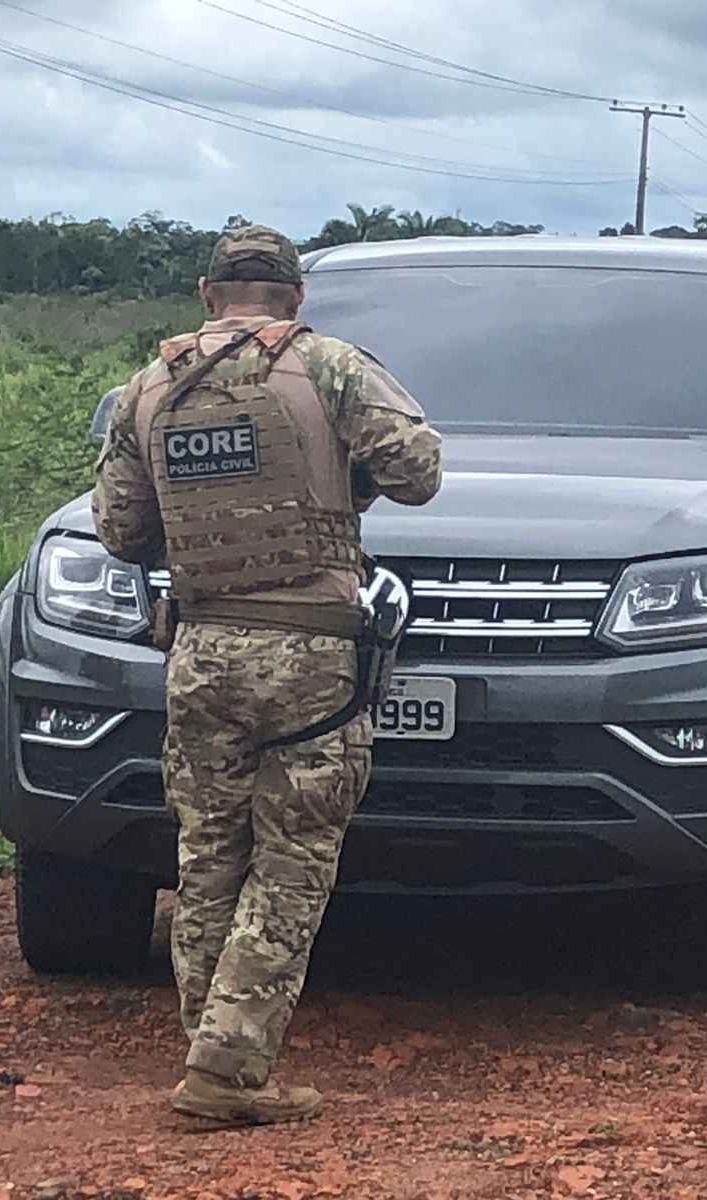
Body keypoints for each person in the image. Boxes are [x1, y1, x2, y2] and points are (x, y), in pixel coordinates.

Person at [92, 223, 442, 1123]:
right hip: (311, 655)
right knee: (293, 858)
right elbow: (419, 472)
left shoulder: (148, 387)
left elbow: (124, 533)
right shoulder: (328, 367)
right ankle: (227, 1068)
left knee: (208, 855)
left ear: (208, 295)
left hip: (199, 649)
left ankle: (209, 1051)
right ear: (294, 298)